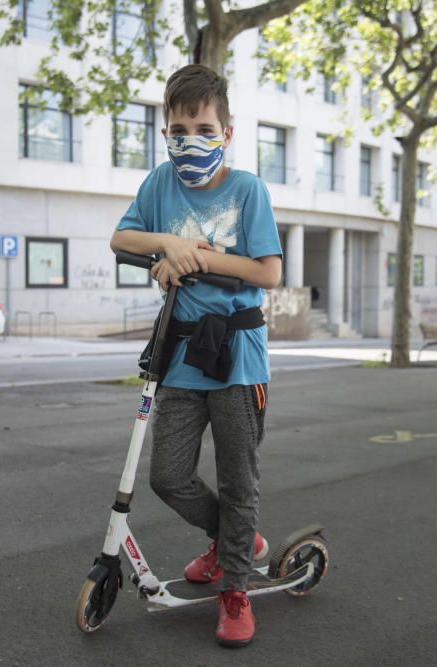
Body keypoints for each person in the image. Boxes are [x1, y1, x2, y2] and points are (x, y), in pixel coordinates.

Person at [109, 64, 283, 648]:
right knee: (168, 475)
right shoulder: (160, 183)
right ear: (166, 133)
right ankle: (237, 539)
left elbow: (267, 271)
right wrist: (169, 244)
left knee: (240, 481)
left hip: (238, 357)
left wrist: (199, 258)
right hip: (181, 357)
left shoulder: (248, 190)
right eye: (179, 129)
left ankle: (235, 589)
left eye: (204, 128)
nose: (191, 140)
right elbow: (121, 239)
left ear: (226, 133)